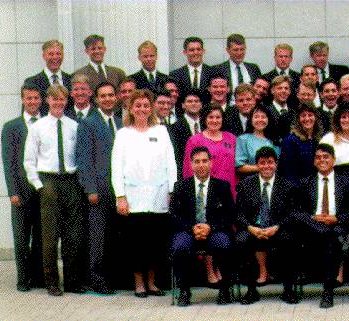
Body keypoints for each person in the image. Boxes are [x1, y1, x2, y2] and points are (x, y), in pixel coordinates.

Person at [111, 90, 178, 298]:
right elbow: (116, 166)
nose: (142, 109)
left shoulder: (161, 132)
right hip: (133, 198)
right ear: (131, 108)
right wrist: (120, 195)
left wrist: (171, 190)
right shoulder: (123, 134)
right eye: (138, 105)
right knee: (136, 243)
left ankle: (152, 282)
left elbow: (171, 163)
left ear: (151, 109)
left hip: (159, 196)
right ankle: (139, 283)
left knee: (156, 242)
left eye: (146, 106)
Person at [23, 85, 85, 296]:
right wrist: (39, 186)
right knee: (50, 236)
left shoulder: (73, 126)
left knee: (73, 235)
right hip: (48, 182)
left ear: (66, 101)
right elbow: (29, 161)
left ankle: (72, 281)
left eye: (62, 99)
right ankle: (52, 282)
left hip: (70, 181)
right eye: (54, 99)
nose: (58, 103)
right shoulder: (38, 127)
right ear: (47, 101)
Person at [169, 146, 235, 306]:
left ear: (211, 163)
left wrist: (210, 227)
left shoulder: (222, 186)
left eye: (205, 161)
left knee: (223, 243)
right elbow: (174, 215)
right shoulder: (180, 186)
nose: (201, 165)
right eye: (197, 162)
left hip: (214, 230)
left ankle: (225, 289)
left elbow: (230, 215)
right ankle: (184, 290)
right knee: (179, 246)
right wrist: (192, 228)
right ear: (191, 165)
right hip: (189, 231)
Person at [293, 144, 349, 309]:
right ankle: (328, 288)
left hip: (337, 227)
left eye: (326, 157)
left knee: (331, 237)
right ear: (314, 162)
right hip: (313, 229)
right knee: (328, 237)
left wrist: (336, 218)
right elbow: (297, 212)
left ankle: (328, 289)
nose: (322, 160)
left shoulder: (347, 182)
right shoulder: (305, 183)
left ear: (334, 160)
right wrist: (313, 217)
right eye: (318, 157)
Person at [75, 82, 124, 294]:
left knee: (115, 235)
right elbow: (83, 159)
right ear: (96, 99)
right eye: (103, 96)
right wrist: (90, 189)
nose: (107, 99)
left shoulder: (122, 123)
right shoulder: (88, 124)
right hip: (99, 189)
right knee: (97, 236)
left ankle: (114, 277)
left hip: (119, 190)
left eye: (111, 95)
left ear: (116, 98)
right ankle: (96, 277)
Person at [235, 147, 298, 305]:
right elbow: (238, 214)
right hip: (253, 228)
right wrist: (250, 228)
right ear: (257, 165)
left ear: (276, 164)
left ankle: (288, 290)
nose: (266, 166)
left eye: (270, 162)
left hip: (277, 228)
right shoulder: (245, 185)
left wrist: (277, 227)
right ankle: (251, 290)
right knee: (241, 241)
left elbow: (292, 214)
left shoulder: (287, 186)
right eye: (262, 163)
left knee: (290, 240)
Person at [2, 85, 45, 292]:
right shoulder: (12, 127)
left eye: (36, 98)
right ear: (22, 100)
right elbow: (8, 162)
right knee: (21, 238)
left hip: (42, 189)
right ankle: (23, 279)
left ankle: (38, 277)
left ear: (41, 100)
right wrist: (12, 191)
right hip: (21, 190)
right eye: (28, 98)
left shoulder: (47, 123)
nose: (33, 102)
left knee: (40, 237)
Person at [182, 105, 238, 197]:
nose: (214, 121)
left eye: (218, 117)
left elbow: (237, 166)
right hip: (205, 190)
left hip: (229, 189)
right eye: (211, 117)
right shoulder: (195, 140)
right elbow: (188, 169)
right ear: (204, 119)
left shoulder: (231, 138)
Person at [319, 104, 349, 179]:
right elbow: (321, 166)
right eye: (343, 117)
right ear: (338, 119)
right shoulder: (328, 139)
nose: (347, 120)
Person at [279, 104, 324, 183]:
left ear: (316, 118)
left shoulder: (318, 140)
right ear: (298, 119)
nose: (307, 119)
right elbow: (287, 171)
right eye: (303, 116)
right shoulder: (290, 141)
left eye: (310, 115)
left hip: (315, 186)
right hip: (297, 189)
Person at [23, 40, 71, 115]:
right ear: (44, 56)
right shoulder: (32, 82)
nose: (55, 57)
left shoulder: (70, 79)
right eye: (51, 54)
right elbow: (27, 111)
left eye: (58, 54)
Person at [235, 106, 280, 182]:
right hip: (252, 183)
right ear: (251, 120)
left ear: (268, 119)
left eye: (263, 117)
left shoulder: (276, 140)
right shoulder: (243, 139)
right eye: (256, 117)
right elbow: (239, 167)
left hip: (274, 182)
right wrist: (265, 167)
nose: (260, 120)